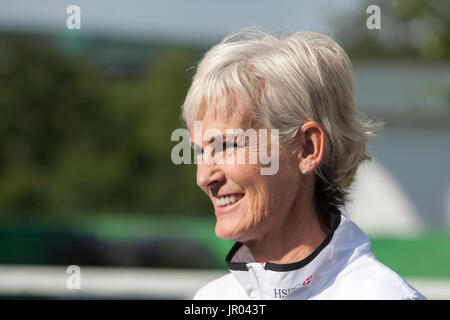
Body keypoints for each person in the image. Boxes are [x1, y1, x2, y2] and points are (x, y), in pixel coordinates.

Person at [181, 27, 425, 300]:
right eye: (200, 151)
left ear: (307, 148)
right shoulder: (212, 299)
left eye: (226, 146)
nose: (204, 178)